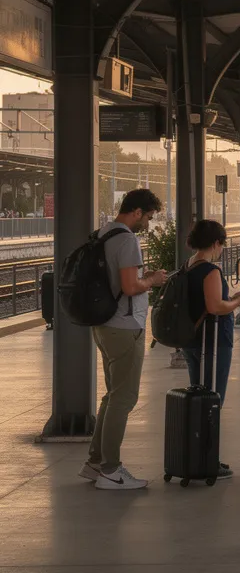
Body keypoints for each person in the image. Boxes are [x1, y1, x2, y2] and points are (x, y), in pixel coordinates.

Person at [79, 189, 169, 490]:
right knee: (124, 398)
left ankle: (95, 463)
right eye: (148, 217)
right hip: (124, 325)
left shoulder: (102, 233)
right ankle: (111, 470)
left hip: (104, 325)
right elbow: (131, 287)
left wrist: (144, 279)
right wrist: (153, 280)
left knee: (111, 395)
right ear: (137, 212)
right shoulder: (127, 239)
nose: (148, 223)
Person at [182, 219, 240, 479]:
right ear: (215, 243)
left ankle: (195, 455)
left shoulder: (188, 266)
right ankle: (207, 458)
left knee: (198, 398)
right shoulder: (210, 271)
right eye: (221, 244)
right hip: (211, 343)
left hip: (192, 341)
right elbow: (214, 307)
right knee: (212, 402)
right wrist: (236, 302)